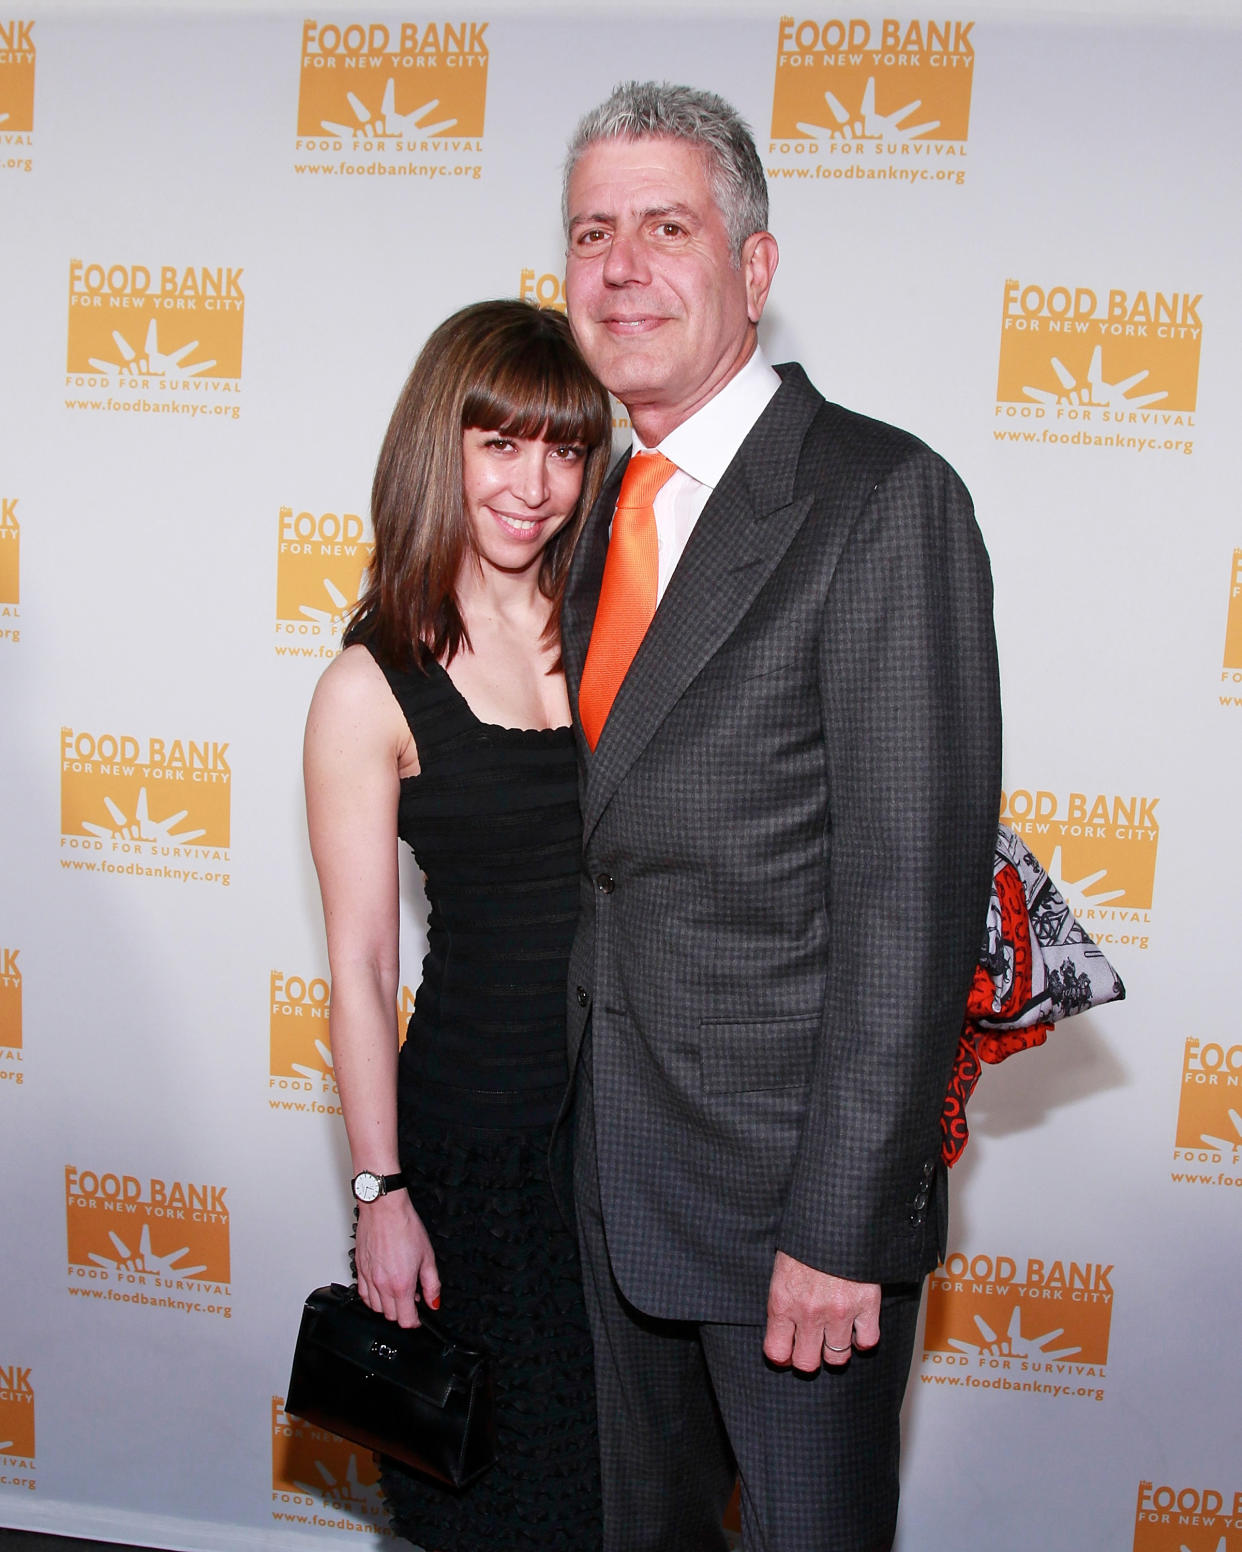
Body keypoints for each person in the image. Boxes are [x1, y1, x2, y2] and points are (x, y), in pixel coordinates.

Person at [558, 82, 1002, 1551]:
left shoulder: (879, 500)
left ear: (752, 268)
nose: (619, 267)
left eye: (664, 228)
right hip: (612, 1180)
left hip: (786, 1222)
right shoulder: (596, 513)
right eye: (590, 234)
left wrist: (839, 1226)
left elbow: (906, 906)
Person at [303, 299, 612, 1552]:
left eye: (565, 448)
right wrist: (381, 1189)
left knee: (630, 1493)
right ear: (445, 444)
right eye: (501, 444)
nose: (533, 484)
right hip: (477, 1147)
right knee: (487, 1501)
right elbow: (365, 970)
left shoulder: (622, 634)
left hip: (631, 1137)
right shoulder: (371, 683)